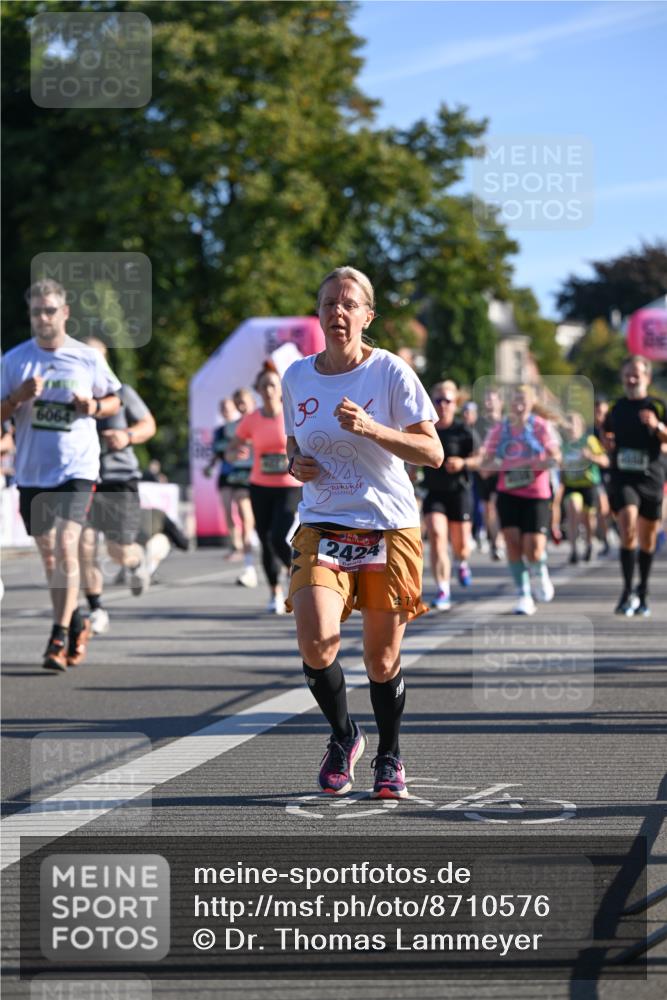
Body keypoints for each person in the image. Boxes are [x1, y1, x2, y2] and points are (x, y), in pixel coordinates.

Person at [282, 266, 443, 800]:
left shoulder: (390, 373)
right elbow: (295, 444)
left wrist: (374, 428)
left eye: (350, 303)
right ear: (319, 313)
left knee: (381, 659)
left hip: (386, 524)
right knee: (317, 640)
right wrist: (296, 463)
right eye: (329, 302)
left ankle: (390, 754)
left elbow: (433, 453)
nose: (338, 312)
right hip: (322, 521)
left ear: (367, 315)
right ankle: (343, 736)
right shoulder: (297, 376)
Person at [0, 279, 120, 670]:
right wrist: (16, 397)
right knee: (50, 557)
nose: (43, 318)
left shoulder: (86, 358)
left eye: (50, 310)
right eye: (36, 311)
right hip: (33, 472)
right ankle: (77, 618)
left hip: (77, 468)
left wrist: (94, 406)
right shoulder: (15, 360)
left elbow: (115, 398)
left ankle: (57, 634)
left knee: (66, 545)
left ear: (64, 313)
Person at [78, 336, 157, 634]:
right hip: (84, 478)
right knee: (84, 545)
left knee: (118, 552)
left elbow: (149, 425)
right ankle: (96, 607)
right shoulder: (73, 399)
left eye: (95, 358)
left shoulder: (123, 392)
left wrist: (127, 437)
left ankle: (136, 561)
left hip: (119, 478)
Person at [479, 384, 561, 616]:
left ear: (532, 402)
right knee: (513, 545)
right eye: (515, 399)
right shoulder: (500, 429)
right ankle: (524, 594)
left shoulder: (541, 427)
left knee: (533, 549)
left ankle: (539, 568)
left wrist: (534, 464)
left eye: (523, 399)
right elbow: (486, 462)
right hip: (508, 493)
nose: (518, 404)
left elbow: (556, 457)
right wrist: (491, 465)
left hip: (537, 494)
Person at [602, 355, 667, 617]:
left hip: (651, 476)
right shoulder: (616, 408)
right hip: (624, 476)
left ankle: (643, 590)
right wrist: (607, 443)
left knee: (648, 538)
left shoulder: (658, 405)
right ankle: (627, 589)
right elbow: (607, 437)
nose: (631, 379)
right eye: (627, 374)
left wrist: (657, 425)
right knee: (628, 523)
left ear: (647, 378)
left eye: (636, 374)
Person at [233, 363, 300, 613]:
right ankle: (275, 592)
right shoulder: (252, 419)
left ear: (280, 389)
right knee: (264, 539)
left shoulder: (291, 414)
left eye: (273, 385)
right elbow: (233, 445)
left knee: (278, 535)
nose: (269, 389)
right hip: (260, 485)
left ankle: (294, 571)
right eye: (264, 386)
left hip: (289, 485)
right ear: (258, 391)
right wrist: (235, 452)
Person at [422, 380, 481, 610]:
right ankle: (443, 588)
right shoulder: (426, 429)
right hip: (434, 492)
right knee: (436, 536)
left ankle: (463, 561)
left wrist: (463, 462)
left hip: (459, 492)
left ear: (455, 403)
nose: (443, 405)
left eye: (448, 401)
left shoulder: (464, 431)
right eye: (438, 401)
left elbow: (480, 459)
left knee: (461, 545)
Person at [206, 389, 258, 588]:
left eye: (242, 403)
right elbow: (225, 454)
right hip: (232, 474)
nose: (240, 407)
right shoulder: (228, 429)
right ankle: (242, 552)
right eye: (237, 404)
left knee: (249, 515)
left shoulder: (264, 420)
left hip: (260, 476)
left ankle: (251, 545)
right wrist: (234, 454)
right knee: (232, 510)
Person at [551, 411, 609, 564]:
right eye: (568, 424)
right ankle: (574, 549)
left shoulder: (588, 440)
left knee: (587, 518)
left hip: (589, 484)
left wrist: (591, 456)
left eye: (574, 424)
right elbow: (560, 465)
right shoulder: (564, 445)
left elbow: (605, 461)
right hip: (571, 486)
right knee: (572, 510)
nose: (571, 428)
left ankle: (589, 544)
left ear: (581, 427)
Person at [474, 387, 504, 560]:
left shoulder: (506, 424)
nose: (489, 404)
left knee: (495, 505)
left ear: (500, 403)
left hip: (501, 472)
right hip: (483, 472)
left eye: (492, 400)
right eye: (486, 400)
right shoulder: (479, 425)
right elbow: (477, 450)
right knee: (487, 508)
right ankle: (495, 541)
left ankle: (498, 542)